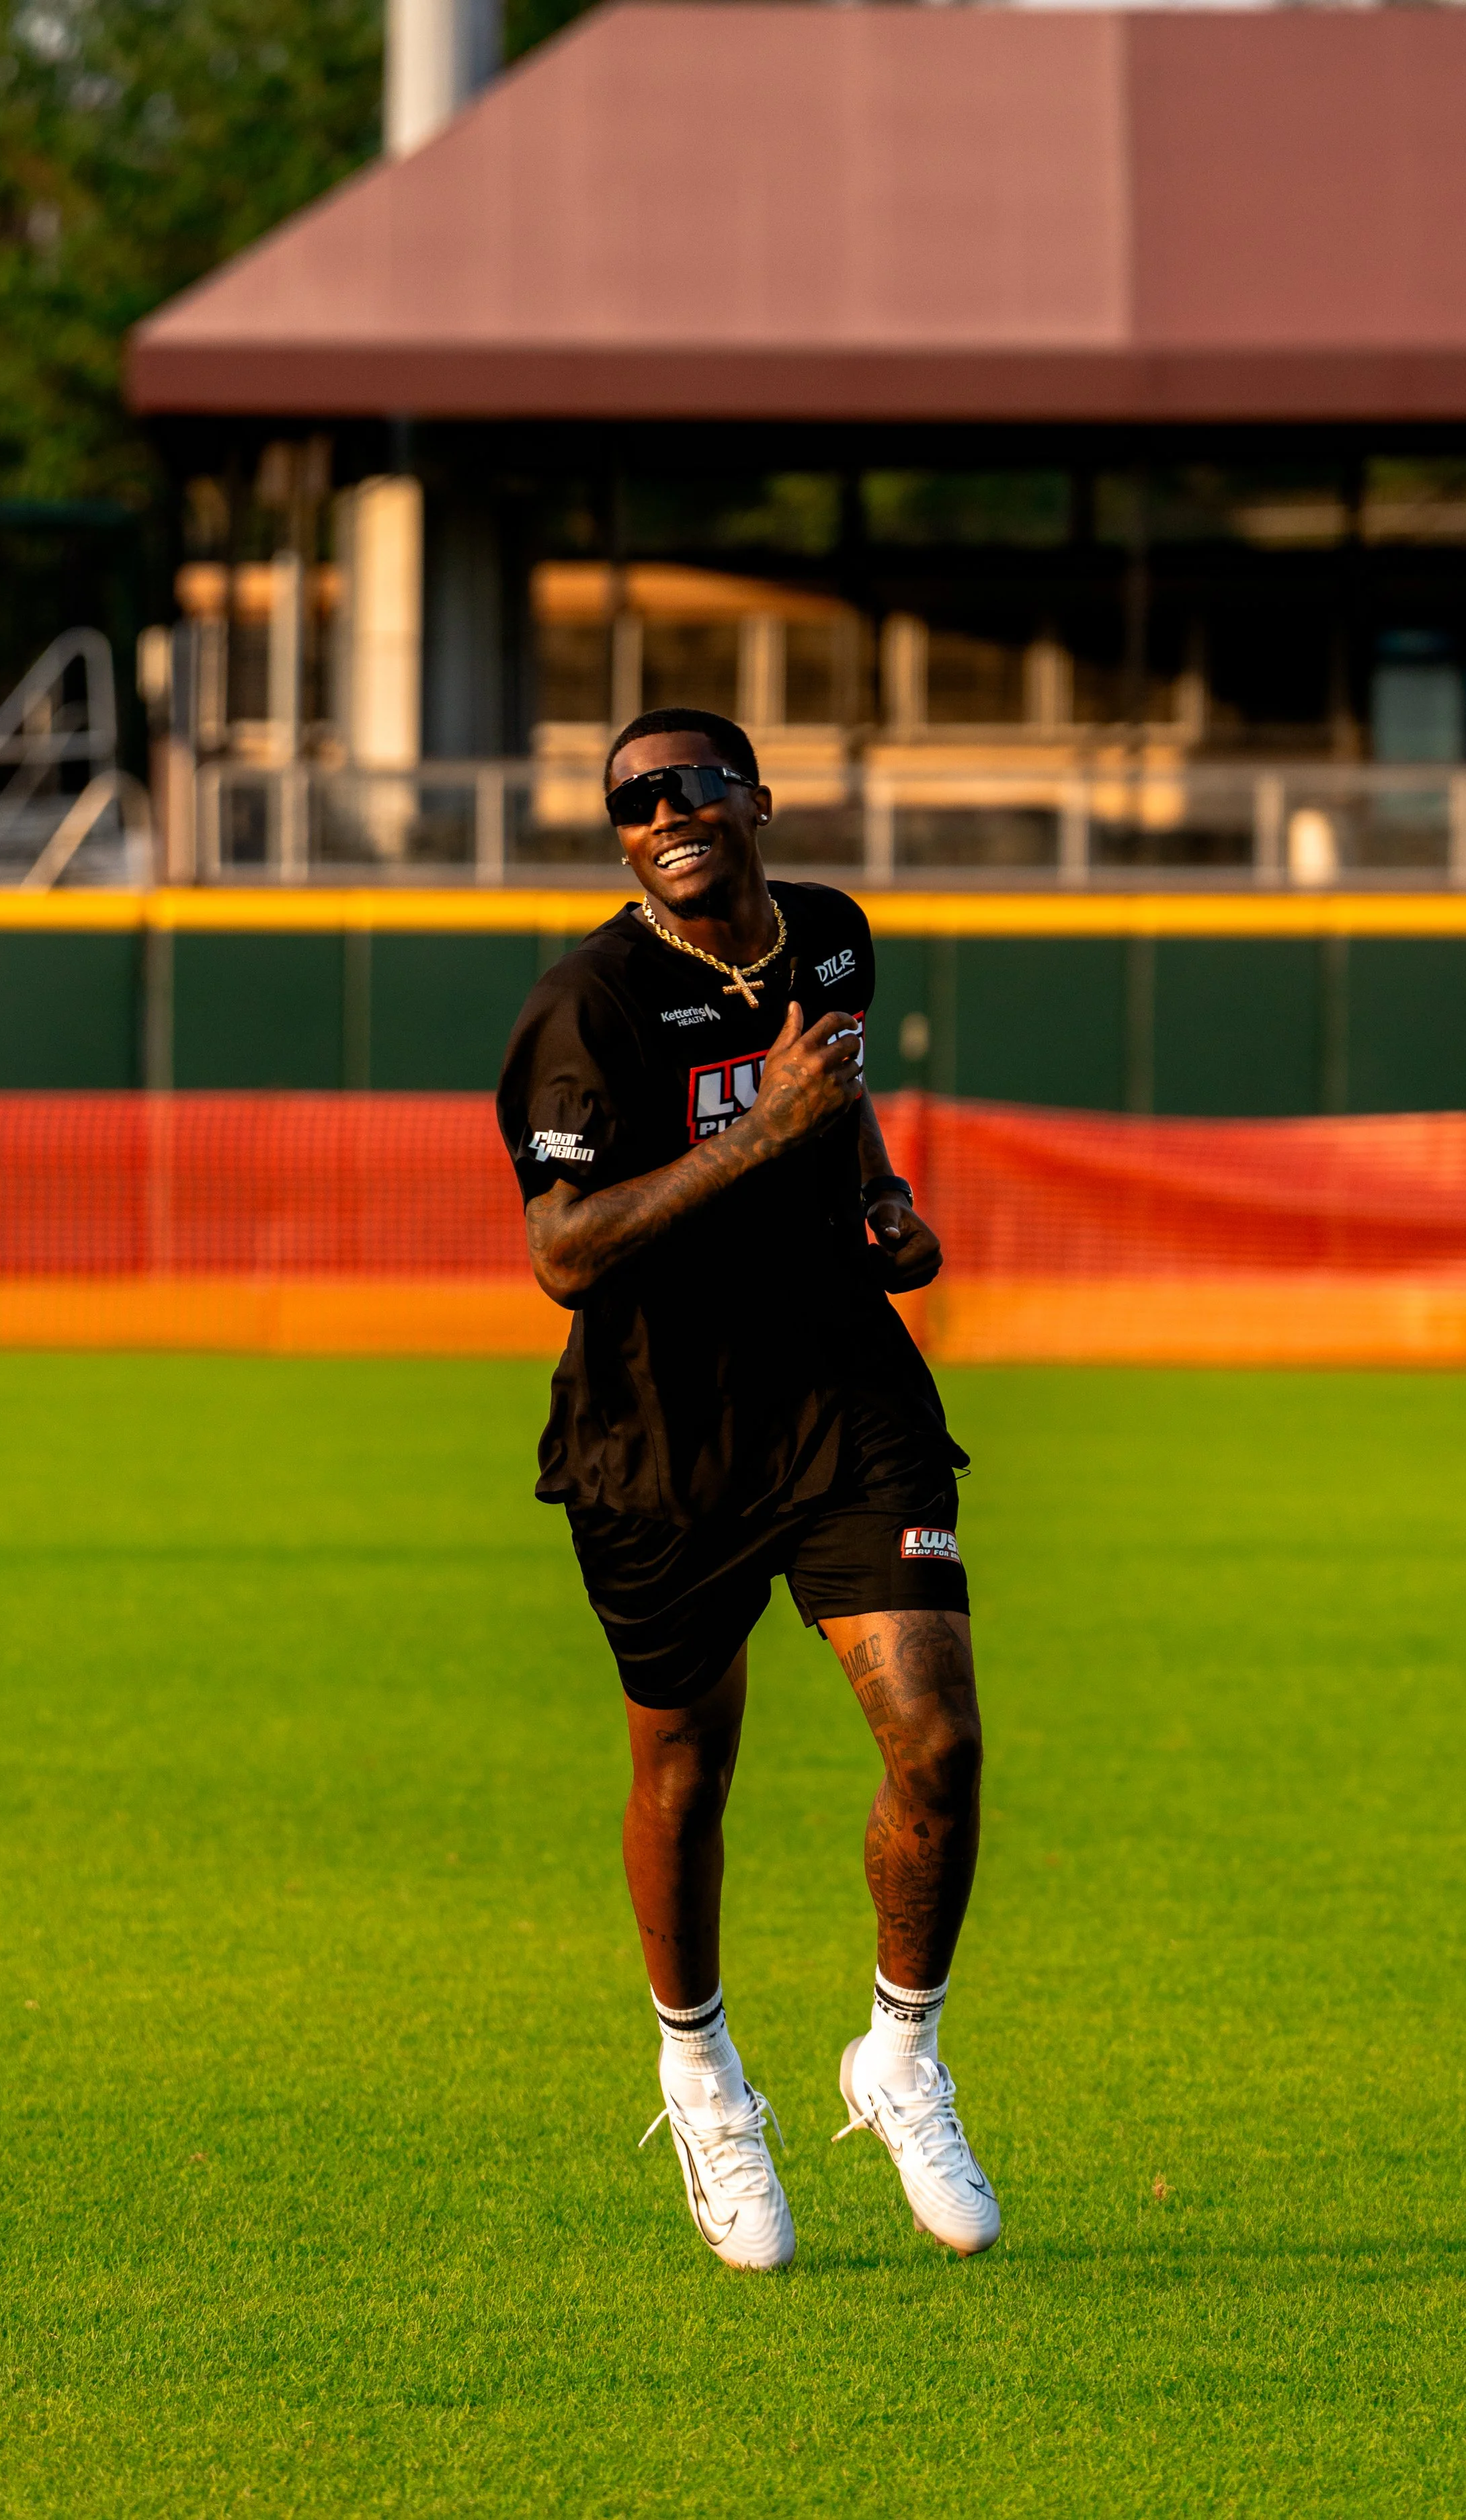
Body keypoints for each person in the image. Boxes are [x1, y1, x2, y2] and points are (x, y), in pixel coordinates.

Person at [496, 707, 998, 2271]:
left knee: (937, 1735)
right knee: (685, 1768)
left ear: (756, 799)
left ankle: (899, 2059)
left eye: (688, 784)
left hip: (840, 1397)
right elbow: (562, 1254)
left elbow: (832, 1109)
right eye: (631, 800)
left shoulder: (831, 941)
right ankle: (701, 2075)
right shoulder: (590, 1002)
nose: (661, 812)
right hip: (659, 1436)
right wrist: (761, 1132)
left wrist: (877, 1196)